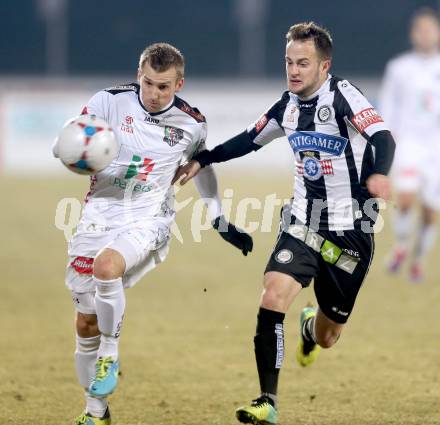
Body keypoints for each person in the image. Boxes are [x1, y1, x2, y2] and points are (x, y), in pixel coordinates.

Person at [174, 22, 395, 425]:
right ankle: (267, 401)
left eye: (303, 63)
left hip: (352, 231)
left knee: (329, 336)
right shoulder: (286, 106)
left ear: (324, 66)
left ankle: (311, 329)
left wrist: (379, 173)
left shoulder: (343, 96)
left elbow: (383, 138)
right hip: (303, 221)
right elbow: (248, 139)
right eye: (289, 62)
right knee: (273, 296)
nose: (293, 70)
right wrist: (204, 159)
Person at [53, 43, 253, 425]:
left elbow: (202, 165)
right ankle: (95, 412)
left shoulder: (191, 122)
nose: (154, 93)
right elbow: (75, 138)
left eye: (164, 86)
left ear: (179, 83)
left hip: (149, 218)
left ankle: (111, 353)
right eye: (147, 83)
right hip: (99, 214)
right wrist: (68, 150)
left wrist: (218, 215)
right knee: (85, 321)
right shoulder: (109, 102)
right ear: (138, 74)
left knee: (106, 267)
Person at [379, 7, 440, 282]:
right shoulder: (399, 67)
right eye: (420, 30)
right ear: (413, 34)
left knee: (430, 211)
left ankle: (417, 261)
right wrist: (388, 137)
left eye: (430, 29)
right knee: (404, 199)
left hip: (436, 148)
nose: (425, 35)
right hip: (410, 145)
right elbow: (389, 104)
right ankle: (402, 246)